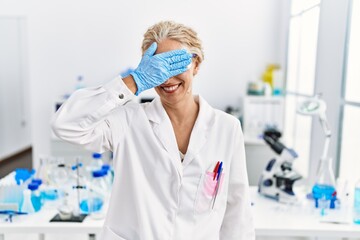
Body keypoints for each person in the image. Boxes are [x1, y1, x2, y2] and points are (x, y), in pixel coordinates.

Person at [52, 21, 255, 240]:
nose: (167, 79)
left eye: (176, 65)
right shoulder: (128, 121)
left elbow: (237, 210)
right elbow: (65, 125)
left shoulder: (227, 128)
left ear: (196, 65)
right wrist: (134, 81)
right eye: (158, 68)